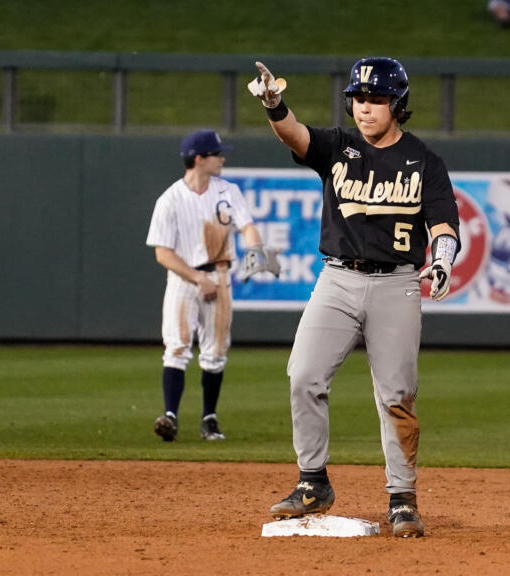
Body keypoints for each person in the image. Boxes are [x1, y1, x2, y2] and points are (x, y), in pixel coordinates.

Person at [247, 57, 461, 538]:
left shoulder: (423, 160)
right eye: (359, 99)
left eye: (376, 99)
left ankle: (402, 498)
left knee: (397, 394)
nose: (365, 108)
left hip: (397, 284)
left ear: (397, 105)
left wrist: (443, 258)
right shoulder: (338, 147)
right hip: (337, 279)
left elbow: (444, 222)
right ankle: (313, 481)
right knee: (303, 374)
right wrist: (274, 105)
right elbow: (295, 136)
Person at [146, 130, 276, 442]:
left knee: (216, 352)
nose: (223, 158)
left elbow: (247, 227)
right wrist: (196, 277)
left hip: (219, 276)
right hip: (184, 279)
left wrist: (255, 251)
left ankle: (209, 419)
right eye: (217, 154)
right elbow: (163, 253)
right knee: (176, 347)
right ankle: (171, 416)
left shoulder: (228, 191)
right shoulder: (170, 199)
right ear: (199, 158)